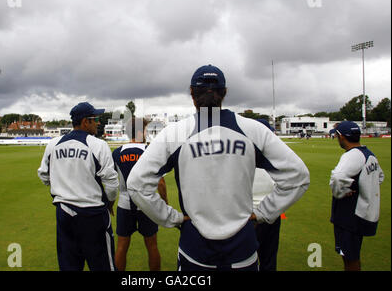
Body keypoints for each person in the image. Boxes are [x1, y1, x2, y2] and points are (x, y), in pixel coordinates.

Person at [126, 64, 310, 271]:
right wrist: (264, 213)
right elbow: (299, 176)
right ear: (224, 93)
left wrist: (172, 218)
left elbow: (136, 184)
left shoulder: (175, 133)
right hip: (243, 248)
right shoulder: (253, 129)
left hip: (195, 247)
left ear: (192, 93)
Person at [37, 102, 119, 271]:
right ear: (84, 122)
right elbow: (111, 182)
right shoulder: (98, 145)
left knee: (70, 265)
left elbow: (44, 175)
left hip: (64, 213)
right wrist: (110, 203)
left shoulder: (53, 144)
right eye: (94, 119)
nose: (98, 122)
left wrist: (63, 186)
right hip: (93, 215)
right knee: (103, 265)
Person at [112, 117, 168, 271]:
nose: (146, 133)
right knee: (152, 245)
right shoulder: (150, 151)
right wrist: (165, 202)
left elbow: (111, 180)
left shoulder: (116, 153)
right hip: (147, 206)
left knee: (122, 246)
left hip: (124, 205)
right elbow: (161, 183)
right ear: (139, 131)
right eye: (145, 130)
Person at [330, 121, 384, 271]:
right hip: (363, 211)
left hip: (350, 213)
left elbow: (337, 178)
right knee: (352, 254)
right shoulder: (369, 154)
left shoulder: (352, 156)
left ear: (341, 136)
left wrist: (340, 192)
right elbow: (380, 177)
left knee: (349, 257)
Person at [252, 119, 281, 271]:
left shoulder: (239, 154)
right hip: (270, 214)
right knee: (268, 260)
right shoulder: (277, 157)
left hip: (249, 215)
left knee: (245, 259)